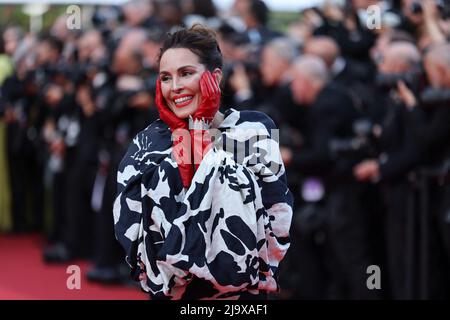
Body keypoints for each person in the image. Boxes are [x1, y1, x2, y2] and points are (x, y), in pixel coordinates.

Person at [113, 25, 293, 300]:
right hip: (173, 295)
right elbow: (131, 226)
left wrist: (199, 131)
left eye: (186, 73)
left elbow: (277, 215)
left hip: (242, 297)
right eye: (165, 78)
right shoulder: (147, 142)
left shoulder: (255, 128)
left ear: (215, 77)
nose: (175, 87)